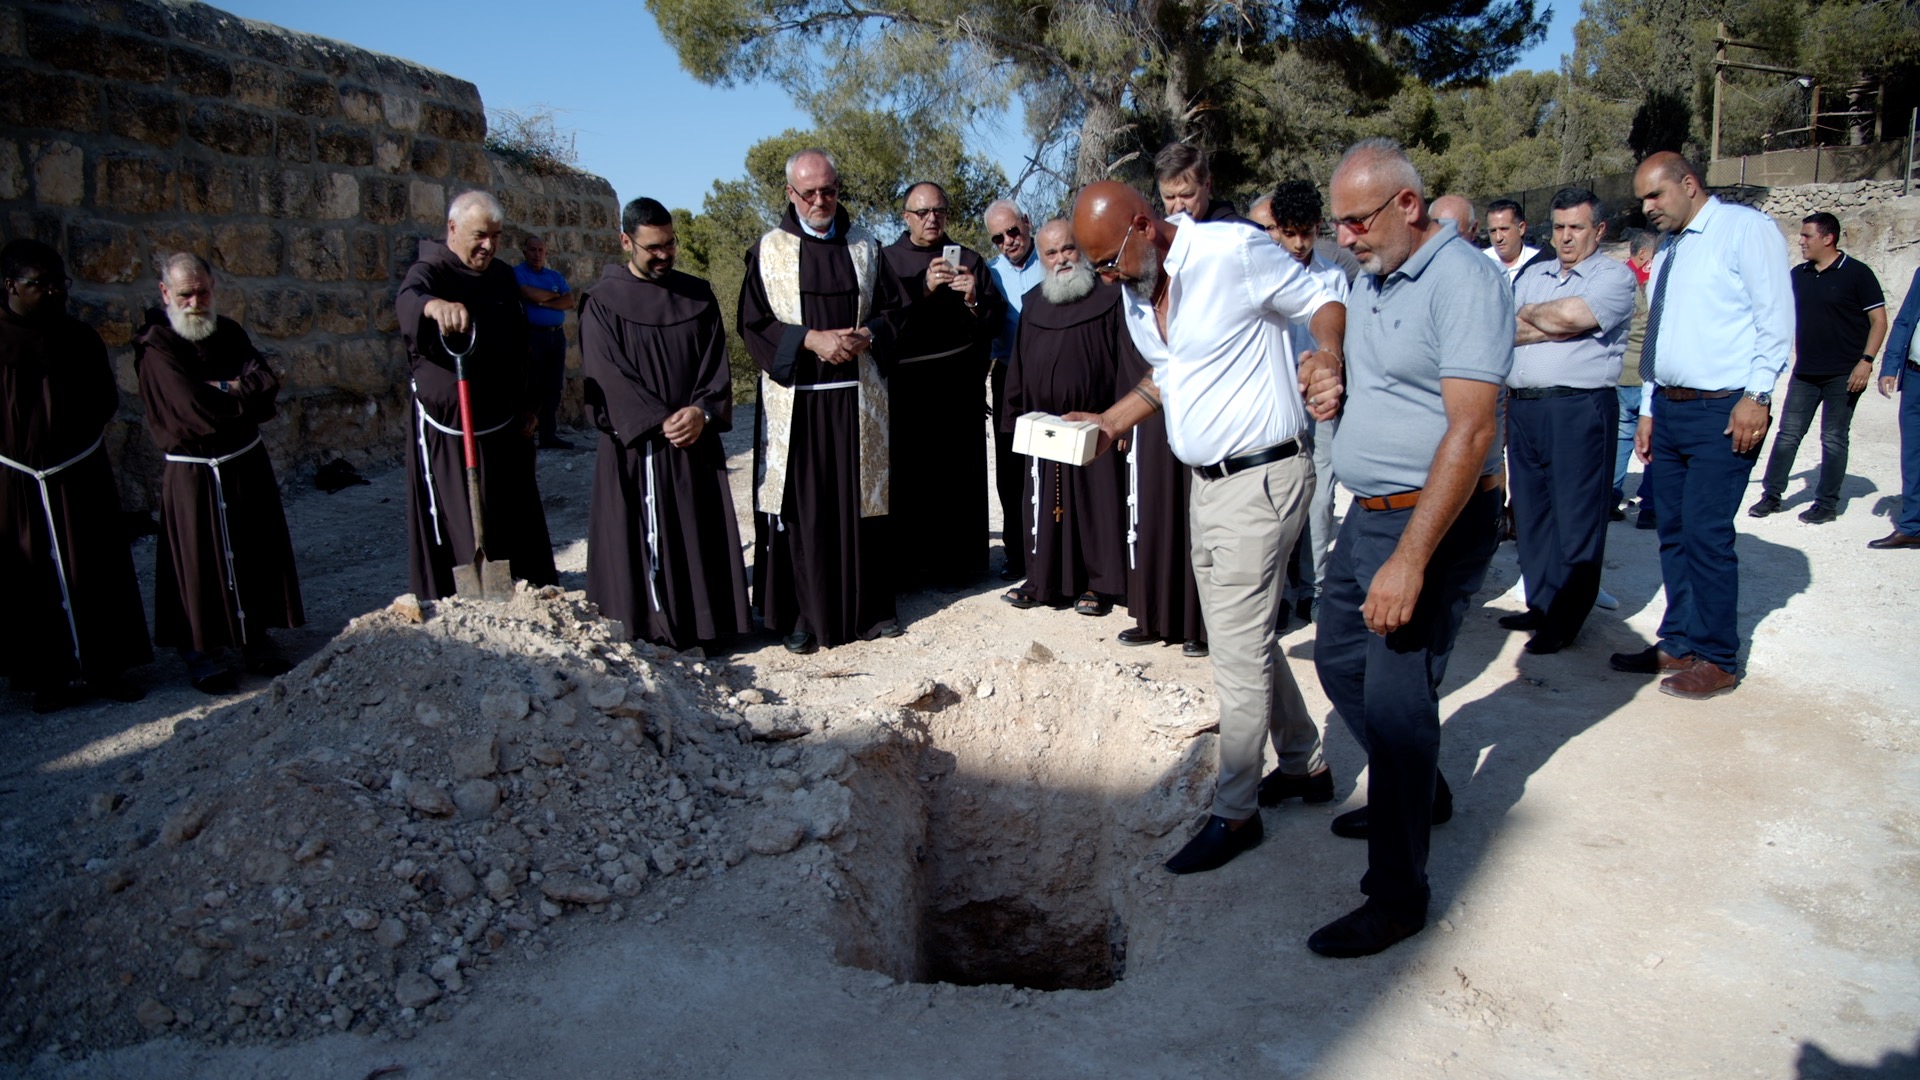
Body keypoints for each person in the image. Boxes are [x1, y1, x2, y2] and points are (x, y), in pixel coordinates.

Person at [1068, 178, 1346, 878]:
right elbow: (1168, 375)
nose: (1107, 278)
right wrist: (1108, 422)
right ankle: (1304, 763)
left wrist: (1328, 356)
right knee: (1238, 634)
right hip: (1208, 485)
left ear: (1144, 224)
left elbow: (1322, 299)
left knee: (1236, 646)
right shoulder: (1137, 296)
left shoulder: (1231, 252)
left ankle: (1237, 811)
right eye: (1097, 268)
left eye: (1110, 261)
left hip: (1263, 476)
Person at [1308, 138, 1512, 958]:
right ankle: (1418, 790)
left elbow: (1471, 432)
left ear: (1407, 205)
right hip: (1370, 511)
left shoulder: (1464, 281)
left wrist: (1410, 561)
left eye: (1357, 220)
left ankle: (1398, 897)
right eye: (1338, 224)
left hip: (1431, 517)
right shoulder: (1375, 273)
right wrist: (1326, 355)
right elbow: (1333, 308)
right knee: (1337, 658)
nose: (1345, 237)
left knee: (1395, 705)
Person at [1613, 151, 1792, 699]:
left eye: (1655, 196)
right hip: (1668, 407)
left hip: (1724, 409)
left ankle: (1718, 657)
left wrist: (1757, 396)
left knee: (1708, 534)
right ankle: (1680, 640)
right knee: (1673, 529)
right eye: (1643, 198)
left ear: (1689, 184)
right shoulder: (1667, 251)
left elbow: (1775, 319)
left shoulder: (1745, 230)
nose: (1648, 209)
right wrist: (1648, 409)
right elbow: (1661, 336)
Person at [738, 148, 909, 653]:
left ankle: (869, 612)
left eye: (829, 190)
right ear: (790, 194)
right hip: (799, 403)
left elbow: (894, 312)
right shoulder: (767, 251)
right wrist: (810, 340)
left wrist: (869, 335)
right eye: (809, 192)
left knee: (861, 505)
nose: (820, 200)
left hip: (857, 401)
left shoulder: (866, 247)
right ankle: (802, 616)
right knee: (804, 507)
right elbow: (754, 324)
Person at [579, 197, 750, 649]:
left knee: (698, 535)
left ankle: (707, 628)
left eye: (669, 244)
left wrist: (702, 411)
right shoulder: (601, 303)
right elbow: (606, 373)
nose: (664, 254)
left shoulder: (697, 294)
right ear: (626, 242)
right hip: (637, 450)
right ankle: (648, 630)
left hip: (694, 439)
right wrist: (657, 421)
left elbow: (716, 366)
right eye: (653, 247)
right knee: (638, 545)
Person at [135, 253, 303, 694]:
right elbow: (188, 410)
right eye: (185, 294)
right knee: (196, 559)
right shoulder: (157, 347)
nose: (195, 302)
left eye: (203, 291)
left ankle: (254, 637)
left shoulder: (228, 332)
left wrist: (224, 389)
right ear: (165, 294)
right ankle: (200, 649)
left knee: (250, 550)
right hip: (193, 471)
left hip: (242, 461)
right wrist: (236, 393)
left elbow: (264, 383)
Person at [0, 240, 151, 712]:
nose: (52, 293)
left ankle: (107, 667)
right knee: (29, 578)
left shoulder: (78, 337)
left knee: (96, 569)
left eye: (58, 283)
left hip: (77, 471)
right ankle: (47, 677)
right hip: (17, 479)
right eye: (38, 285)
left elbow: (103, 399)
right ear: (10, 286)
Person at [398, 190, 559, 603]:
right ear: (453, 229)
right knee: (464, 527)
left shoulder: (503, 276)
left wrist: (530, 405)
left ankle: (528, 598)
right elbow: (410, 299)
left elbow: (522, 345)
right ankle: (461, 606)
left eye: (497, 236)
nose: (489, 245)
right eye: (479, 235)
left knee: (514, 520)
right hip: (454, 434)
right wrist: (433, 307)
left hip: (505, 424)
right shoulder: (430, 270)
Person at [1500, 188, 1638, 654]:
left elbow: (1575, 316)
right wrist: (1552, 322)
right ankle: (1540, 604)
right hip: (1524, 406)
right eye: (1558, 227)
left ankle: (1565, 619)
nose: (1565, 237)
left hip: (1578, 409)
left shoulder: (1613, 277)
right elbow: (1506, 327)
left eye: (1576, 227)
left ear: (1598, 229)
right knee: (1532, 511)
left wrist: (1539, 319)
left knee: (1575, 515)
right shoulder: (1535, 273)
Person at [998, 220, 1136, 612]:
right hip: (1046, 427)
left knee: (1097, 505)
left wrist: (1124, 417)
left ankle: (1101, 584)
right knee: (1044, 504)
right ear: (1040, 259)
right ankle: (1044, 580)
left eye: (1068, 249)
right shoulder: (1033, 303)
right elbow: (1019, 364)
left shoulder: (1110, 297)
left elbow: (1126, 357)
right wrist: (1013, 416)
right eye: (1051, 253)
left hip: (1097, 423)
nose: (1061, 260)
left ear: (1083, 250)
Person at [881, 181, 1002, 588]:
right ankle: (911, 570)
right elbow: (882, 324)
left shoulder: (969, 259)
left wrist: (972, 299)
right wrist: (922, 290)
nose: (932, 219)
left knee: (957, 480)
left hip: (957, 391)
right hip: (908, 391)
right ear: (906, 217)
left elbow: (994, 321)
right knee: (913, 480)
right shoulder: (886, 261)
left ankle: (958, 568)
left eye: (939, 211)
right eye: (922, 212)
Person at [1748, 212, 1886, 525]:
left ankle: (1826, 503)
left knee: (1834, 438)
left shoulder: (1857, 274)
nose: (1801, 241)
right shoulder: (1799, 275)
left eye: (1807, 235)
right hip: (1805, 373)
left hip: (1844, 374)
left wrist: (1866, 362)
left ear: (1828, 238)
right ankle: (1772, 495)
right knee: (1787, 435)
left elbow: (1879, 320)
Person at [1260, 180, 1352, 627]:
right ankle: (1278, 591)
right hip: (1275, 406)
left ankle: (1314, 588)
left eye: (1308, 233)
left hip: (1321, 403)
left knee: (1319, 496)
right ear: (1276, 229)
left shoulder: (1333, 277)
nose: (1298, 243)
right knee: (1277, 499)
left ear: (1319, 229)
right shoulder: (1261, 274)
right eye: (1290, 232)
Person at [985, 199, 1046, 581]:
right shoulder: (989, 275)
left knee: (1055, 463)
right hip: (1008, 375)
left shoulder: (1055, 262)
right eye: (998, 237)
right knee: (1011, 470)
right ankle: (1017, 553)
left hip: (1051, 376)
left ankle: (1057, 549)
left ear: (1027, 222)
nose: (1008, 241)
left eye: (1012, 231)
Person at [1871, 265, 1920, 549]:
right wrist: (1890, 366)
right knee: (1913, 454)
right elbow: (1904, 321)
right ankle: (1913, 525)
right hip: (1915, 376)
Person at [514, 234, 576, 451]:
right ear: (525, 252)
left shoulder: (555, 275)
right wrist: (553, 298)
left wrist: (542, 300)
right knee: (533, 386)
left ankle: (549, 434)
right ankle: (528, 433)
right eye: (532, 250)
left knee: (553, 387)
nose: (537, 254)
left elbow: (569, 301)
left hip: (555, 336)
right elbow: (527, 293)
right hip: (534, 336)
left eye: (540, 250)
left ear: (546, 252)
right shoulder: (519, 273)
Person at [1615, 230, 1657, 526]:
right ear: (1643, 256)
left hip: (1619, 374)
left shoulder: (1615, 281)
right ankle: (1650, 507)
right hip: (1644, 377)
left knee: (1621, 439)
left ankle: (1610, 497)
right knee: (1651, 442)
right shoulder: (1648, 287)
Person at [1249, 191, 1363, 284]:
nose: (1299, 244)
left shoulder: (1334, 270)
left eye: (1270, 228)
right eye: (1290, 234)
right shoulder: (1256, 273)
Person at [1153, 141, 1249, 225]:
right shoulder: (1159, 238)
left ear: (1207, 185)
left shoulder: (1241, 235)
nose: (1178, 207)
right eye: (1169, 197)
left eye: (1187, 195)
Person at [1485, 199, 1549, 285]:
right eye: (1493, 231)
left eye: (1504, 229)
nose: (1498, 238)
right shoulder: (1480, 263)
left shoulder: (1540, 262)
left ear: (1521, 228)